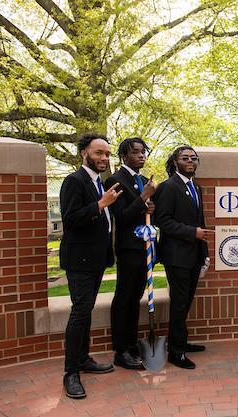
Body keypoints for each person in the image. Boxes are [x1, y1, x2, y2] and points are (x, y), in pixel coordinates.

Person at [60, 133, 122, 398]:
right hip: (80, 260)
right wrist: (100, 204)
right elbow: (71, 219)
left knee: (86, 311)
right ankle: (70, 372)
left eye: (107, 154)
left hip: (96, 260)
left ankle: (84, 360)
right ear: (84, 153)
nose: (104, 158)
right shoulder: (74, 181)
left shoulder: (100, 183)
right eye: (99, 153)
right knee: (80, 312)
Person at [153, 146, 211, 369]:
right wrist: (191, 233)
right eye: (185, 158)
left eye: (193, 158)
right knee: (178, 304)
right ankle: (176, 353)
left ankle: (182, 341)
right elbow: (162, 220)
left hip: (194, 255)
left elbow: (201, 224)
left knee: (185, 302)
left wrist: (204, 255)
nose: (190, 161)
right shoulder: (168, 187)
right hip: (176, 256)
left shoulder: (195, 187)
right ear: (175, 162)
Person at [105, 137, 157, 370]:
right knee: (124, 298)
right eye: (135, 152)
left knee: (136, 298)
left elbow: (144, 213)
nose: (141, 155)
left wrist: (150, 207)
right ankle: (120, 350)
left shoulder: (145, 181)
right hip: (128, 249)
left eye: (143, 152)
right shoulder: (115, 180)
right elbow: (123, 216)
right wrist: (144, 197)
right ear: (124, 156)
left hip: (144, 248)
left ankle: (131, 342)